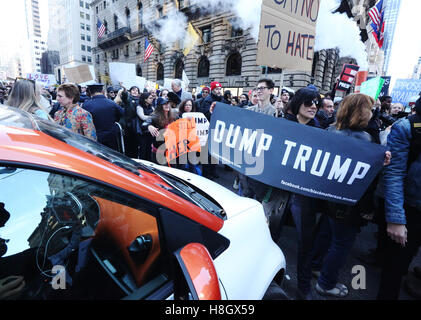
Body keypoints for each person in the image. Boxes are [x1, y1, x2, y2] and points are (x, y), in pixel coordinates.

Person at [310, 93, 391, 298]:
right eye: (369, 109)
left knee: (326, 232)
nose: (372, 113)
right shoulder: (366, 140)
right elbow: (367, 181)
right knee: (341, 243)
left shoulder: (329, 130)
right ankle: (326, 283)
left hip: (327, 197)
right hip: (348, 204)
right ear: (362, 112)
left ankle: (316, 265)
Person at [377, 97, 421, 300]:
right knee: (395, 269)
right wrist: (395, 218)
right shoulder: (408, 127)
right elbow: (394, 173)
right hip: (411, 208)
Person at [283, 88, 324, 299]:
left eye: (316, 103)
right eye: (309, 102)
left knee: (306, 243)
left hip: (304, 196)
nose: (314, 107)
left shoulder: (322, 131)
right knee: (269, 234)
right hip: (278, 193)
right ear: (298, 103)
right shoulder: (280, 125)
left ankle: (304, 286)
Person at [82, 83, 124, 151]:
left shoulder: (86, 105)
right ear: (103, 91)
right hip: (111, 137)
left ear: (90, 92)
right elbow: (122, 113)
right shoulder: (111, 103)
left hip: (96, 138)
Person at [142, 97, 177, 165]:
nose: (167, 105)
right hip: (159, 150)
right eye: (164, 104)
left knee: (172, 171)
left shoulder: (173, 116)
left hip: (171, 149)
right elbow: (144, 124)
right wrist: (149, 126)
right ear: (160, 106)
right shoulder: (155, 116)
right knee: (161, 171)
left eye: (168, 103)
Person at [199, 81, 223, 178]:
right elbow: (205, 114)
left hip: (217, 129)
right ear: (212, 90)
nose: (218, 91)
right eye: (216, 89)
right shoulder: (208, 100)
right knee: (207, 153)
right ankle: (207, 173)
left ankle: (213, 170)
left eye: (219, 89)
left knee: (215, 152)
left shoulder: (220, 99)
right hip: (209, 129)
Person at [119, 85, 141, 158]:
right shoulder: (128, 99)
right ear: (130, 91)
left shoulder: (140, 100)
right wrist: (125, 91)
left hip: (137, 125)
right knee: (128, 143)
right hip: (128, 125)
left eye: (136, 90)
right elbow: (124, 97)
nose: (135, 91)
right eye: (133, 90)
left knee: (135, 144)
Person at [137, 92, 155, 161]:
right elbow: (142, 117)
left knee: (149, 149)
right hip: (142, 131)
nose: (152, 99)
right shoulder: (139, 107)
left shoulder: (152, 107)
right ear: (145, 99)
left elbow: (155, 115)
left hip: (150, 131)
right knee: (143, 150)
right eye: (150, 98)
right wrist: (152, 117)